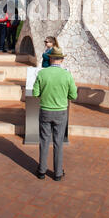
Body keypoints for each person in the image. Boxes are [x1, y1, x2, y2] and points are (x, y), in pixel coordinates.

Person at [33, 46, 77, 181]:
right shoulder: (67, 75)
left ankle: (41, 170)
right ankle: (57, 173)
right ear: (62, 59)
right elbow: (73, 95)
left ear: (50, 58)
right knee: (58, 142)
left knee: (44, 140)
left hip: (45, 110)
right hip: (61, 112)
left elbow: (35, 93)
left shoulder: (42, 74)